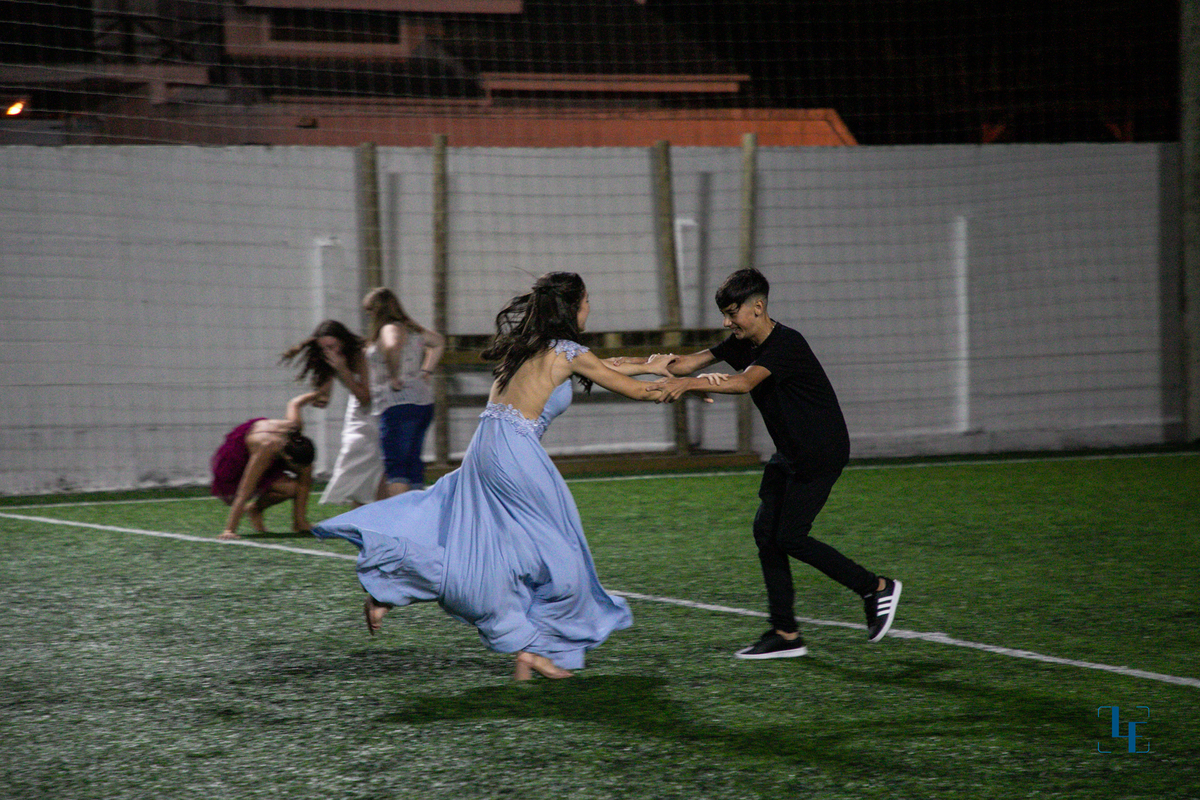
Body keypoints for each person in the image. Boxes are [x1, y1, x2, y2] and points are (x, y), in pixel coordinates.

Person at [312, 272, 675, 680]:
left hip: (486, 445)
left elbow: (601, 367)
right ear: (572, 308)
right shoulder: (567, 351)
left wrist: (649, 364)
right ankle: (536, 644)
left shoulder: (529, 348)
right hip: (515, 450)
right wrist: (690, 384)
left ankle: (517, 646)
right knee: (559, 557)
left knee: (485, 545)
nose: (590, 307)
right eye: (586, 300)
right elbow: (636, 390)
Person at [655, 267, 902, 659]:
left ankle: (876, 588)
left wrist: (687, 385)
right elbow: (686, 364)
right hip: (790, 453)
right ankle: (786, 634)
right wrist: (622, 368)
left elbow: (743, 383)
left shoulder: (786, 343)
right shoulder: (742, 343)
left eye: (732, 313)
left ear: (757, 307)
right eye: (724, 314)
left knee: (790, 536)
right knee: (766, 532)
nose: (727, 322)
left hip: (819, 452)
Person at [281, 320, 381, 507]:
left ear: (343, 340)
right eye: (324, 348)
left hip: (378, 408)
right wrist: (317, 397)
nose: (328, 351)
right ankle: (358, 508)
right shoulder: (329, 357)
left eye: (332, 346)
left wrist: (343, 370)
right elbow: (324, 394)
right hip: (358, 410)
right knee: (351, 454)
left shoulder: (361, 354)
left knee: (373, 462)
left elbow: (366, 398)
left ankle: (372, 505)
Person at [362, 287, 446, 498]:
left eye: (370, 311)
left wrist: (393, 375)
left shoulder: (388, 328)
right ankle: (417, 513)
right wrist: (426, 371)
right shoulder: (413, 329)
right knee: (413, 463)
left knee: (397, 467)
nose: (369, 316)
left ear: (378, 311)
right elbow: (438, 342)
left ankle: (399, 514)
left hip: (397, 403)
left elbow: (392, 346)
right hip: (422, 403)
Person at [211, 390, 326, 540]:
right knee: (290, 489)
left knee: (307, 469)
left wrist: (321, 394)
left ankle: (300, 522)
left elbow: (295, 402)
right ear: (287, 457)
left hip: (277, 447)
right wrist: (229, 530)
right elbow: (244, 491)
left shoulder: (294, 427)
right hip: (240, 458)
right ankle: (254, 509)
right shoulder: (265, 449)